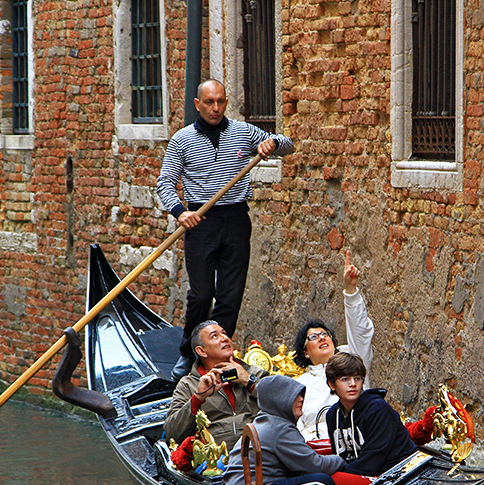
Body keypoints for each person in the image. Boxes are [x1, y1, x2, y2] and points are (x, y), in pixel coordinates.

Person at [157, 79, 295, 379]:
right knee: (202, 295)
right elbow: (165, 183)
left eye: (220, 101)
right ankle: (188, 353)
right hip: (201, 222)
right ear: (198, 104)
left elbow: (288, 145)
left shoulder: (243, 132)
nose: (216, 108)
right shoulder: (182, 140)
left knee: (230, 296)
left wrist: (271, 143)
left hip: (235, 219)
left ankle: (216, 357)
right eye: (209, 102)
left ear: (226, 102)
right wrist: (181, 212)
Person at [225, 375, 344, 485]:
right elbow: (315, 465)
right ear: (279, 400)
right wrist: (341, 460)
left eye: (301, 395)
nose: (301, 400)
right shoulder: (279, 428)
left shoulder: (265, 422)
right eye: (294, 396)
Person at [292, 250, 374, 441]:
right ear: (305, 352)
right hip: (314, 446)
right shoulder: (298, 384)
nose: (321, 338)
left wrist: (351, 291)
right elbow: (294, 425)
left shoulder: (353, 363)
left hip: (358, 437)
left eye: (325, 334)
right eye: (313, 337)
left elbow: (360, 333)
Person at [164, 320, 268, 450]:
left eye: (224, 334)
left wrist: (248, 380)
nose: (225, 338)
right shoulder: (188, 384)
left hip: (260, 449)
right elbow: (172, 434)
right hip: (215, 460)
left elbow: (284, 404)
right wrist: (198, 398)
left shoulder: (253, 372)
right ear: (202, 351)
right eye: (215, 336)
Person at [325, 352, 418, 477]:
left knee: (331, 481)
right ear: (332, 384)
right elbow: (340, 455)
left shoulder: (378, 409)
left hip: (401, 475)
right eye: (345, 379)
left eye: (357, 378)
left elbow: (373, 459)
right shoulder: (332, 415)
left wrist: (340, 475)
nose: (353, 384)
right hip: (363, 475)